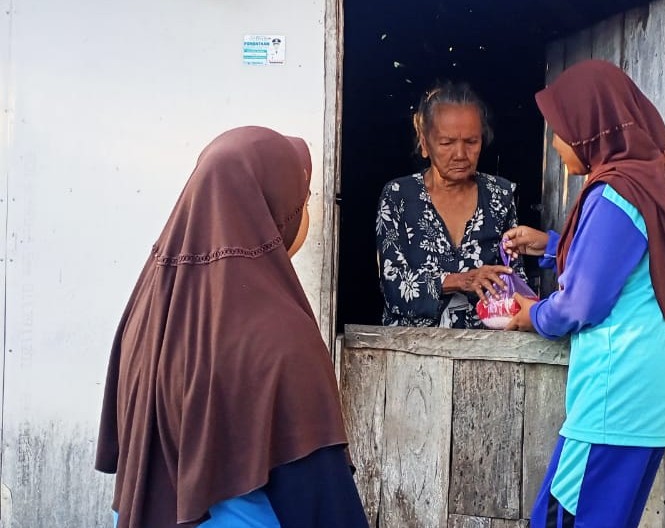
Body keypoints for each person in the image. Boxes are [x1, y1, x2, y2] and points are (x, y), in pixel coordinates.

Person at [96, 126, 369, 528]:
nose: (307, 214)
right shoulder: (280, 340)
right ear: (273, 208)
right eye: (304, 200)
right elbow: (323, 504)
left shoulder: (146, 312)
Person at [502, 60, 665, 528]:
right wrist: (551, 245)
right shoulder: (649, 178)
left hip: (620, 393)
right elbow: (630, 260)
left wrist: (532, 315)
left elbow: (582, 303)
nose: (555, 144)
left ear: (589, 127)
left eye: (560, 130)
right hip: (659, 389)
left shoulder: (617, 191)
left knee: (561, 520)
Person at [376, 81, 526, 328]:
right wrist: (461, 281)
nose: (460, 154)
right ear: (425, 144)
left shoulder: (500, 195)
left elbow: (515, 279)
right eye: (447, 143)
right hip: (410, 345)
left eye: (471, 142)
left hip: (485, 346)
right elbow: (393, 287)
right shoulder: (398, 196)